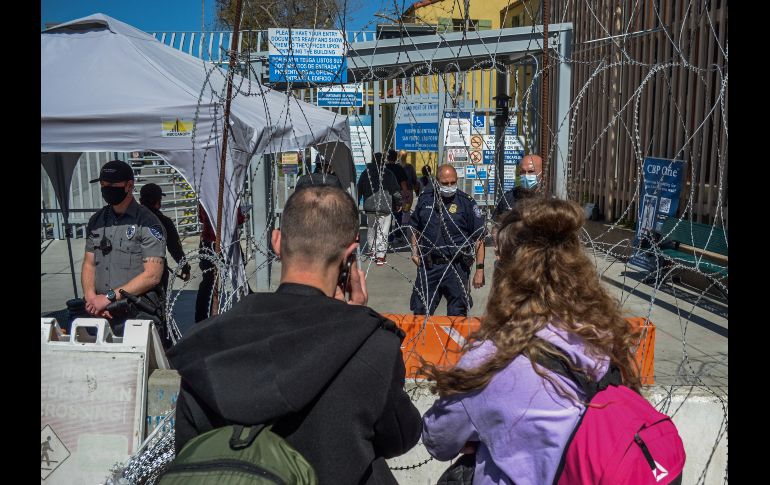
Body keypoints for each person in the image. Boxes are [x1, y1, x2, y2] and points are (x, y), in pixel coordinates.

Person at [169, 186, 422, 484]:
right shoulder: (371, 346)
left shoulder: (209, 343)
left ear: (276, 241)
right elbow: (400, 436)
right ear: (350, 255)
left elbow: (187, 447)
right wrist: (351, 319)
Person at [420, 198, 642, 484]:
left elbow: (438, 438)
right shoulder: (601, 334)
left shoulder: (491, 359)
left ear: (509, 271)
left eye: (498, 256)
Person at [82, 160, 166, 336]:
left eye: (112, 184)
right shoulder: (97, 221)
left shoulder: (148, 223)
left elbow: (152, 275)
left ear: (129, 185)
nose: (106, 188)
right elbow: (89, 264)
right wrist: (92, 300)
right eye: (103, 184)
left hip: (135, 312)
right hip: (101, 313)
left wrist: (108, 298)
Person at [409, 164, 486, 316]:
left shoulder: (466, 203)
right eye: (445, 183)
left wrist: (480, 270)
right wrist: (414, 251)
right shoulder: (425, 199)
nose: (449, 186)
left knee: (457, 315)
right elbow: (415, 228)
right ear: (437, 181)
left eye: (453, 182)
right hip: (430, 266)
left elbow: (479, 238)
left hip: (456, 266)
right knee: (421, 312)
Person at [195, 202, 246, 322]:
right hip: (227, 243)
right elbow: (237, 218)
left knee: (208, 281)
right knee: (240, 278)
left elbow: (201, 218)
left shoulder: (204, 197)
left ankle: (200, 318)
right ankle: (244, 311)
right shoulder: (229, 195)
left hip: (207, 242)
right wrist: (243, 217)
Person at [139, 183, 191, 294]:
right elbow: (175, 248)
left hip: (133, 272)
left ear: (140, 200)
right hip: (157, 272)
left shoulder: (131, 221)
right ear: (158, 202)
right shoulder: (164, 222)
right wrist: (185, 268)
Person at [357, 152, 401, 266]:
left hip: (369, 206)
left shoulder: (365, 173)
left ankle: (372, 251)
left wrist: (356, 203)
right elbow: (395, 191)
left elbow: (359, 189)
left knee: (371, 229)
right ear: (383, 162)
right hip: (384, 206)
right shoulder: (388, 174)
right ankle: (380, 256)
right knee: (383, 231)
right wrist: (399, 203)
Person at [493, 154, 543, 221]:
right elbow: (496, 224)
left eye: (531, 171)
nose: (526, 175)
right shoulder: (509, 198)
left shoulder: (547, 198)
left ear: (542, 173)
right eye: (522, 172)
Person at [385, 149, 410, 244]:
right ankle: (398, 235)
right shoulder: (399, 169)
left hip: (385, 195)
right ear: (396, 158)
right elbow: (403, 183)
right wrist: (406, 196)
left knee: (387, 217)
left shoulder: (384, 168)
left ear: (387, 158)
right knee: (398, 216)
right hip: (397, 196)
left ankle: (389, 236)